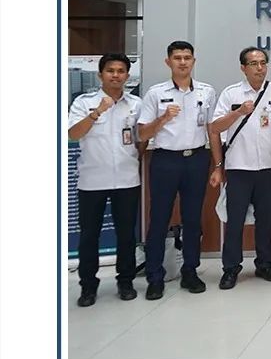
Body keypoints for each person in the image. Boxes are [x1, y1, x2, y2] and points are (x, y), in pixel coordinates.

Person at [137, 41, 216, 299]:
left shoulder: (206, 91)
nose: (183, 62)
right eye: (177, 57)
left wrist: (217, 164)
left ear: (194, 61)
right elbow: (142, 133)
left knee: (192, 219)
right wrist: (163, 119)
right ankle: (155, 276)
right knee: (159, 219)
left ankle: (190, 271)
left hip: (196, 159)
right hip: (166, 161)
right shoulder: (155, 93)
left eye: (187, 57)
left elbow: (212, 130)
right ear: (168, 61)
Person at [209, 46, 271, 290]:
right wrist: (239, 113)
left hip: (268, 166)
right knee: (234, 222)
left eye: (263, 63)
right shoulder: (231, 93)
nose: (259, 68)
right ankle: (231, 268)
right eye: (253, 64)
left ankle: (265, 264)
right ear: (243, 68)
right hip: (239, 168)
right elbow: (215, 128)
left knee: (266, 220)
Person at [68, 53, 142, 306]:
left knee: (126, 235)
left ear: (127, 76)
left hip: (127, 179)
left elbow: (140, 138)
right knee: (89, 236)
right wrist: (97, 112)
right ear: (100, 75)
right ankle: (88, 286)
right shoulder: (84, 102)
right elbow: (73, 134)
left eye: (121, 71)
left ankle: (126, 282)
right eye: (111, 71)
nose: (116, 75)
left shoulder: (136, 104)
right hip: (92, 180)